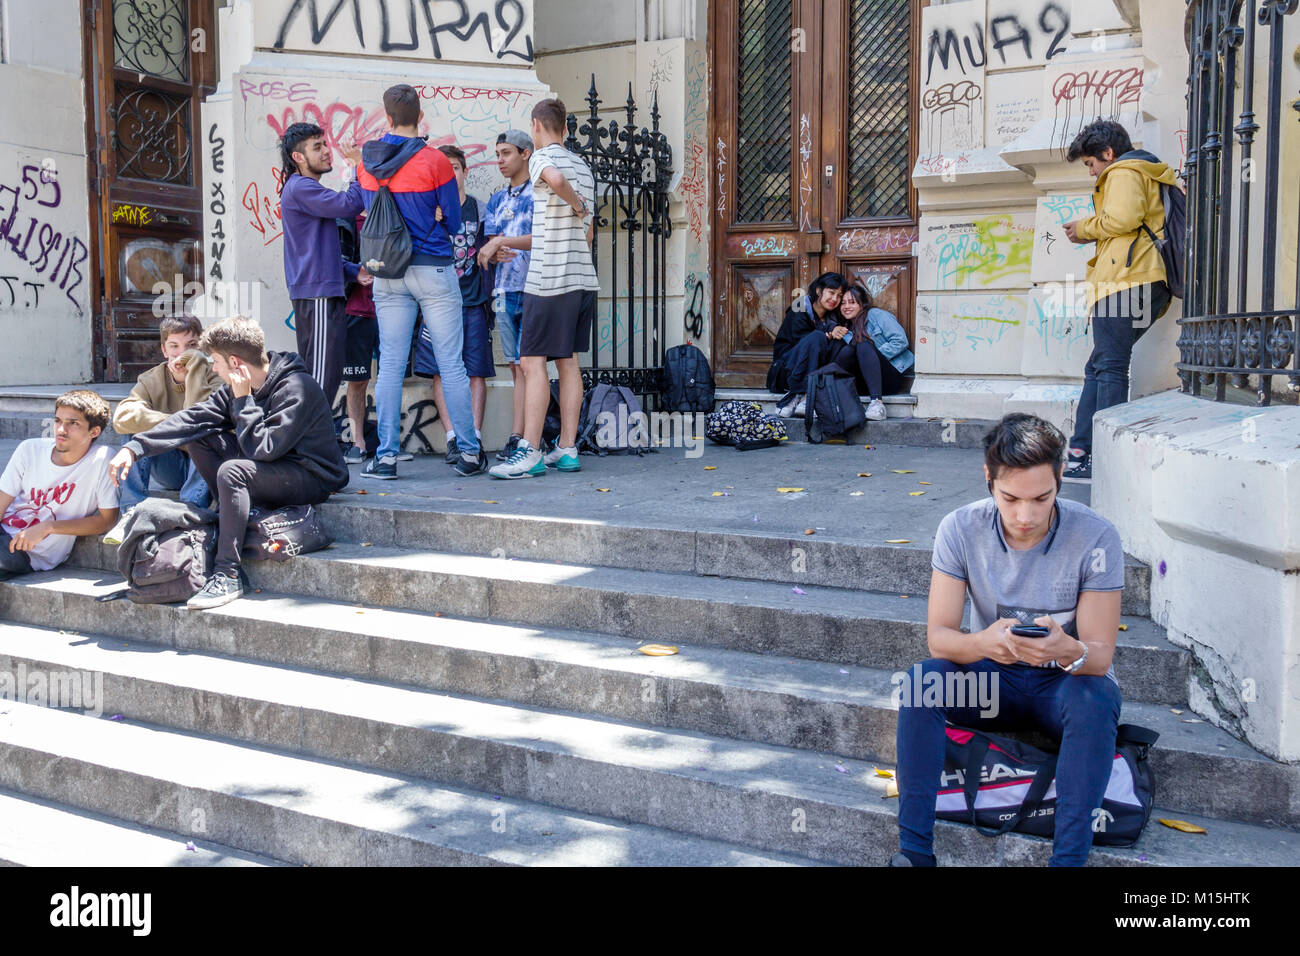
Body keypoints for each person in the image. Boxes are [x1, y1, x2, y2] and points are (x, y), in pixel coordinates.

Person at [891, 413, 1125, 868]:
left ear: (1060, 478)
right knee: (922, 683)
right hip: (991, 682)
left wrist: (1066, 651)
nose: (1026, 515)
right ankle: (914, 854)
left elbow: (1099, 656)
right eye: (1010, 498)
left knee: (1095, 698)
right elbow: (939, 639)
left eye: (1042, 497)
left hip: (1061, 686)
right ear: (988, 479)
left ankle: (1068, 861)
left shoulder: (1096, 535)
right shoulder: (960, 528)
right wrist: (983, 644)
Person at [108, 316, 349, 610]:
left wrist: (244, 400)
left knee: (233, 472)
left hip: (311, 476)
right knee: (199, 435)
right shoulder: (237, 386)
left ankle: (228, 574)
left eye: (216, 363)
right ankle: (233, 512)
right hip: (270, 471)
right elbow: (193, 418)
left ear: (235, 363)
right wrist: (135, 447)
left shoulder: (297, 388)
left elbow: (264, 449)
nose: (213, 368)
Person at [344, 84, 485, 479]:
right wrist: (437, 216)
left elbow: (369, 212)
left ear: (386, 117)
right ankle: (470, 453)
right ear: (419, 117)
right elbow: (455, 222)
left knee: (388, 364)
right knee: (451, 363)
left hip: (389, 272)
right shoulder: (435, 160)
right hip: (433, 267)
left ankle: (385, 456)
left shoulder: (366, 164)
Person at [1062, 119, 1176, 483]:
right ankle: (1081, 453)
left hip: (1126, 283)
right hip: (1142, 282)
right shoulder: (1144, 170)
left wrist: (1084, 228)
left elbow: (1123, 218)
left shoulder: (1124, 171)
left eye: (1091, 164)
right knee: (1100, 366)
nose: (1092, 172)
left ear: (1107, 153)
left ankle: (1106, 459)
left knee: (1108, 367)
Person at [490, 98, 597, 480]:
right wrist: (581, 210)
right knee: (567, 362)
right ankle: (567, 448)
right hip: (581, 279)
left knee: (533, 362)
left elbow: (556, 181)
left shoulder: (540, 157)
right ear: (566, 127)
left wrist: (576, 204)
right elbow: (586, 235)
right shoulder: (585, 165)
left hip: (549, 280)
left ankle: (530, 452)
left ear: (536, 126)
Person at [105, 315, 222, 543]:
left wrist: (195, 372)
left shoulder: (215, 375)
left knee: (207, 432)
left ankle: (190, 510)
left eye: (191, 346)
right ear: (164, 350)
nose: (182, 353)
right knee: (133, 434)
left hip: (202, 468)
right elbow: (122, 418)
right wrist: (176, 425)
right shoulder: (151, 378)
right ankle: (132, 511)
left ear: (202, 347)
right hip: (170, 466)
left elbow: (202, 419)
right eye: (174, 346)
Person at [416, 144, 493, 465]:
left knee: (475, 371)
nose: (450, 174)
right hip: (435, 303)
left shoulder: (479, 209)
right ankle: (452, 438)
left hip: (472, 301)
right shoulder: (430, 209)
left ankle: (472, 435)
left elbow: (490, 252)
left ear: (465, 171)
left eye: (455, 168)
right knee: (439, 371)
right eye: (444, 169)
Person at [278, 122, 365, 406]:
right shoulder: (301, 187)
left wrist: (354, 271)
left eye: (324, 144)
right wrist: (357, 167)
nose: (327, 151)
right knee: (319, 378)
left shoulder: (307, 189)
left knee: (326, 376)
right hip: (317, 295)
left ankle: (313, 444)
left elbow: (319, 251)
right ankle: (308, 446)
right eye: (318, 147)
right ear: (298, 157)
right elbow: (350, 205)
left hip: (324, 291)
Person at [0, 390, 119, 578]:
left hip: (28, 553)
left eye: (73, 423)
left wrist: (49, 527)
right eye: (57, 421)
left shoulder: (102, 460)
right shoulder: (30, 449)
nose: (61, 430)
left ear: (94, 431)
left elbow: (107, 520)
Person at [479, 129, 535, 462]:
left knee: (531, 366)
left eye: (506, 153)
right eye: (497, 153)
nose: (499, 160)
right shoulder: (497, 200)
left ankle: (531, 437)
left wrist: (501, 243)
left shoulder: (537, 195)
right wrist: (494, 250)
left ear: (525, 153)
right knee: (515, 367)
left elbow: (540, 237)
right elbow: (489, 246)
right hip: (503, 290)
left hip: (533, 289)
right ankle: (517, 435)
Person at [337, 212, 387, 466]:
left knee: (391, 377)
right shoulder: (346, 219)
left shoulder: (392, 214)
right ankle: (358, 443)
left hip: (392, 309)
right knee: (358, 380)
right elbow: (334, 261)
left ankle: (389, 446)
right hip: (356, 310)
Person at [766, 272, 849, 417]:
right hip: (785, 372)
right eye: (831, 292)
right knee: (817, 338)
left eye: (839, 295)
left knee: (839, 343)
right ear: (818, 291)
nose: (835, 299)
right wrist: (828, 334)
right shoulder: (799, 309)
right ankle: (801, 394)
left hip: (812, 374)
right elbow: (805, 345)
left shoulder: (834, 317)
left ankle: (806, 396)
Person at [835, 284, 915, 422]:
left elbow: (900, 340)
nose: (846, 306)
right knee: (848, 351)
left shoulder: (876, 315)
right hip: (863, 384)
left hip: (889, 379)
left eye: (852, 302)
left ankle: (877, 404)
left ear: (862, 304)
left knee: (864, 347)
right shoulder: (845, 329)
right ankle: (833, 400)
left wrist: (873, 354)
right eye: (843, 303)